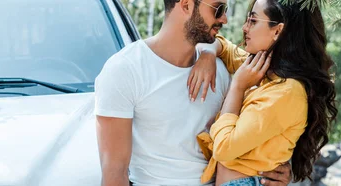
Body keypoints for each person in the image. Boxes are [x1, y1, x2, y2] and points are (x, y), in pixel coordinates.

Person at [94, 0, 293, 185]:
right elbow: (114, 170)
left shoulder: (222, 71)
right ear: (187, 5)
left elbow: (247, 143)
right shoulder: (125, 70)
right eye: (218, 9)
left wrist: (276, 172)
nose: (224, 19)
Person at [187, 0, 338, 185]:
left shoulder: (286, 92)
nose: (244, 27)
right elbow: (225, 48)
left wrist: (238, 87)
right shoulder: (265, 71)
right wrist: (208, 53)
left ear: (277, 31)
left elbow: (224, 148)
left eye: (253, 20)